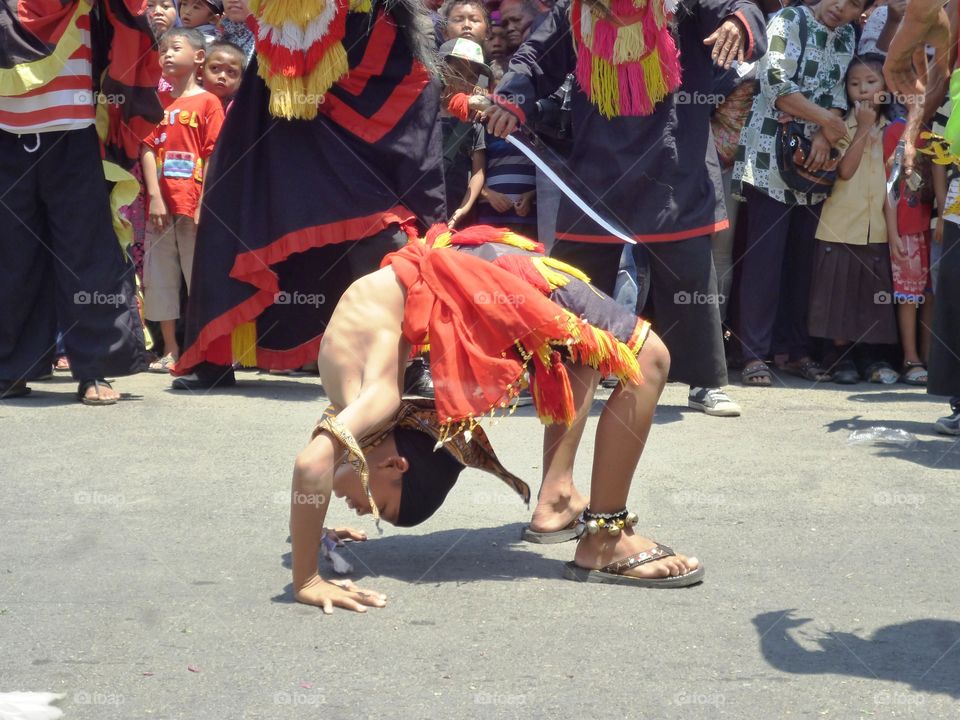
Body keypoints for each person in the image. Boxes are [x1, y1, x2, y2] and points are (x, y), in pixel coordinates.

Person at [289, 226, 703, 613]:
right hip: (471, 268)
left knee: (650, 360)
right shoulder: (357, 400)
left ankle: (606, 542)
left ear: (396, 465)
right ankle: (557, 496)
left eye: (378, 509)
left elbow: (312, 465)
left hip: (492, 274)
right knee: (575, 351)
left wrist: (307, 578)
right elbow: (324, 464)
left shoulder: (377, 399)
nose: (365, 513)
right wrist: (315, 525)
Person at [485, 0, 766, 417]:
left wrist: (738, 24)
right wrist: (510, 99)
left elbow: (739, 6)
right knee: (573, 278)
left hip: (673, 156)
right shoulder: (576, 10)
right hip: (596, 164)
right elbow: (536, 59)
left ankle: (705, 382)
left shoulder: (682, 5)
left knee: (688, 272)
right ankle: (554, 371)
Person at [173, 0, 445, 389]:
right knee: (239, 223)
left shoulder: (383, 15)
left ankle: (408, 363)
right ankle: (213, 355)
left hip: (358, 141)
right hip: (281, 126)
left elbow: (406, 80)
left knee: (386, 239)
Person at [0, 0, 159, 403]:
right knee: (11, 255)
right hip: (5, 137)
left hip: (73, 134)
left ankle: (95, 369)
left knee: (84, 253)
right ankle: (10, 367)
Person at [732, 0, 865, 387]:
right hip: (770, 159)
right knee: (764, 260)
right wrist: (826, 121)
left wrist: (825, 134)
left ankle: (793, 352)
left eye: (855, 4)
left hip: (815, 162)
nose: (841, 8)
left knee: (801, 262)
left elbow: (841, 93)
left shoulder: (846, 37)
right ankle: (753, 354)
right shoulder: (788, 20)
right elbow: (776, 86)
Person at [807, 55, 900, 384]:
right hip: (840, 224)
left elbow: (892, 183)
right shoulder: (840, 125)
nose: (862, 90)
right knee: (839, 294)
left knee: (870, 295)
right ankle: (839, 356)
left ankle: (870, 356)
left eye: (871, 83)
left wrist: (895, 233)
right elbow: (844, 171)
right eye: (855, 83)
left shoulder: (894, 130)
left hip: (876, 227)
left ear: (886, 88)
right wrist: (861, 128)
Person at [142, 28, 225, 372]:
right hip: (161, 209)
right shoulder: (155, 104)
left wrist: (204, 200)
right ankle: (171, 348)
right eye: (162, 50)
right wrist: (154, 197)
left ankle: (201, 348)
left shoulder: (208, 102)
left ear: (199, 57)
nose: (167, 55)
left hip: (193, 206)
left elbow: (213, 153)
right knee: (160, 277)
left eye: (175, 48)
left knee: (198, 278)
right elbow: (147, 148)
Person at [884, 112, 935, 385]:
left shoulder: (937, 128)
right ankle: (910, 358)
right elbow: (889, 183)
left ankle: (928, 358)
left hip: (933, 225)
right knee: (908, 296)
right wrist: (893, 232)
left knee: (929, 294)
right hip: (907, 227)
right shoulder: (896, 131)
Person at [203, 40, 246, 108]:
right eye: (215, 68)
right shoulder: (187, 99)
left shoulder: (238, 110)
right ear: (200, 72)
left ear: (240, 81)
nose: (222, 76)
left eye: (230, 72)